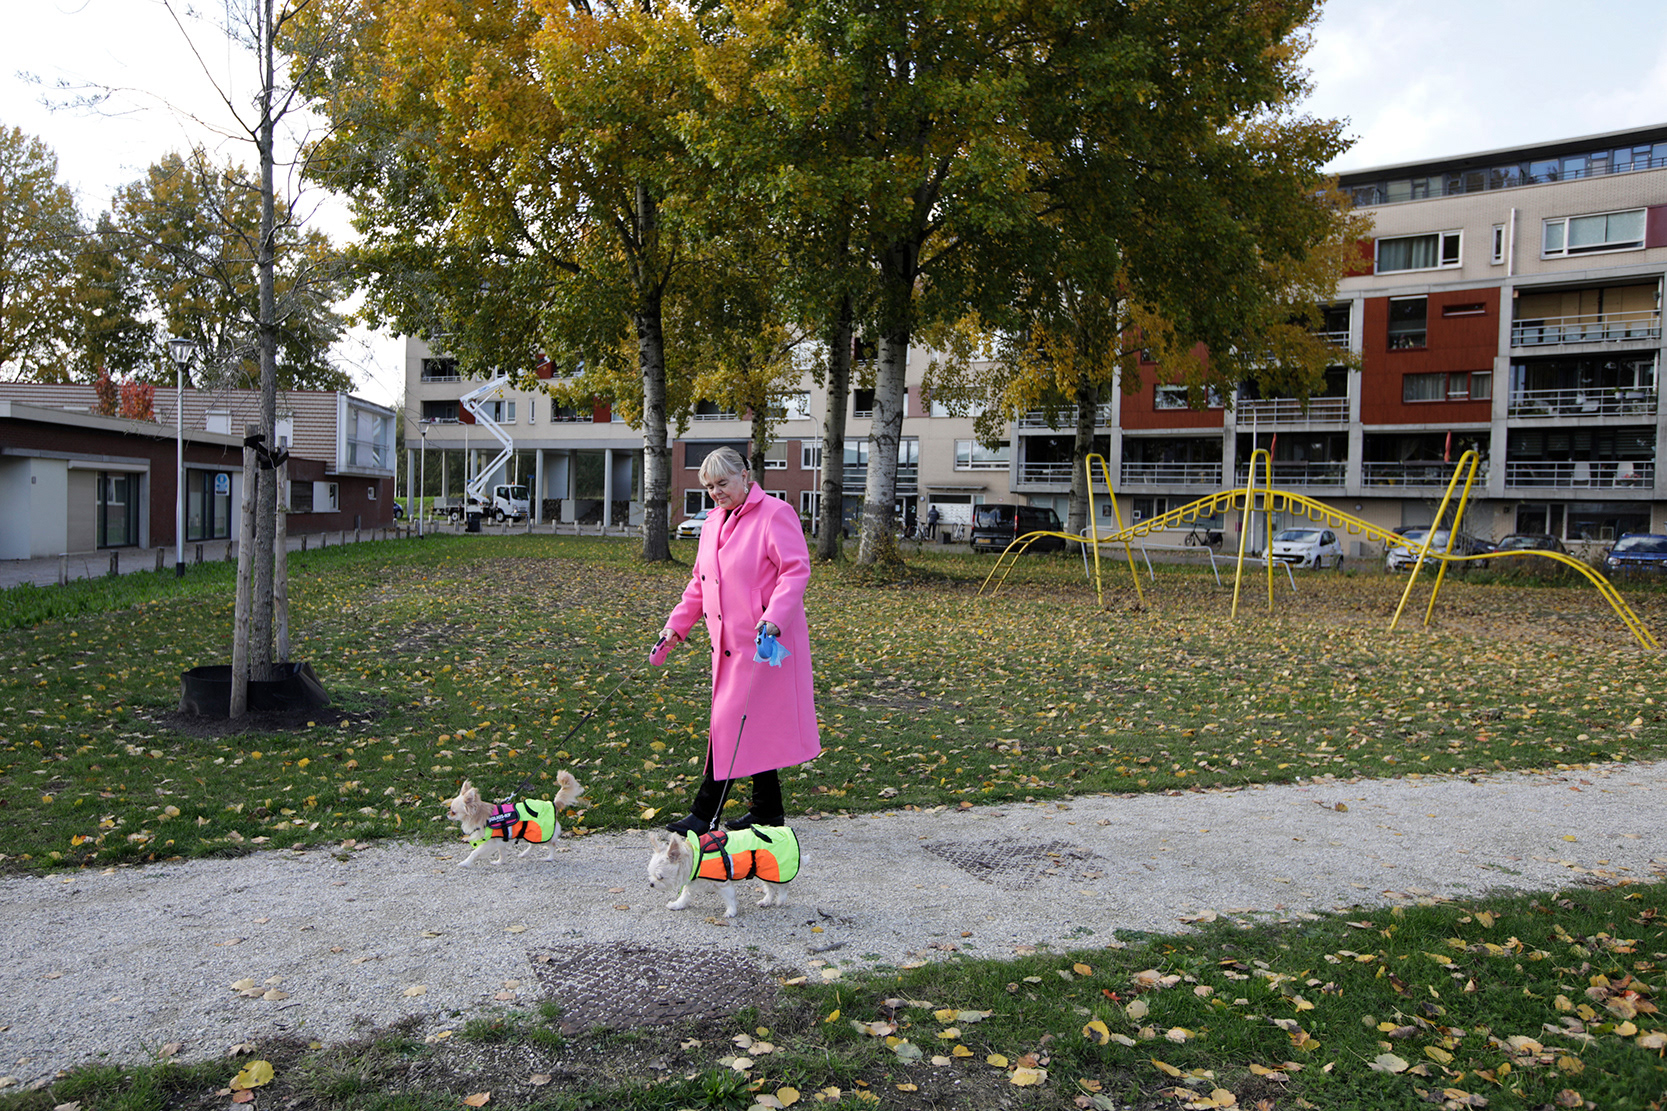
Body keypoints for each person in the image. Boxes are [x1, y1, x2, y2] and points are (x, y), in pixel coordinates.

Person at [656, 447, 821, 834]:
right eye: (709, 486)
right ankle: (767, 811)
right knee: (751, 722)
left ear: (745, 476)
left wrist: (774, 619)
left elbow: (795, 571)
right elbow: (700, 583)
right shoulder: (712, 522)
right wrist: (675, 627)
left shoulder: (775, 514)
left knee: (730, 721)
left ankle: (704, 813)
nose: (716, 492)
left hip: (765, 645)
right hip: (727, 646)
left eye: (722, 483)